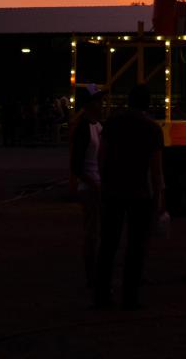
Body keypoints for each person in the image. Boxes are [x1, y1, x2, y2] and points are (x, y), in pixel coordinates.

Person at [94, 85, 164, 310]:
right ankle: (129, 296)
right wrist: (158, 197)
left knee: (108, 244)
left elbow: (101, 156)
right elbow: (156, 169)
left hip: (113, 190)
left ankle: (102, 294)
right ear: (148, 104)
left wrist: (104, 181)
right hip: (139, 192)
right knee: (136, 246)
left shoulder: (113, 123)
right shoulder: (152, 129)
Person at [69, 85, 104, 287]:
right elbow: (76, 166)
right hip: (91, 187)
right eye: (98, 101)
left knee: (94, 231)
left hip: (94, 184)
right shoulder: (85, 127)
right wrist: (94, 184)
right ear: (90, 104)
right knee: (92, 231)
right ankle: (91, 273)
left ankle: (93, 270)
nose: (101, 104)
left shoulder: (95, 125)